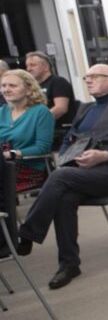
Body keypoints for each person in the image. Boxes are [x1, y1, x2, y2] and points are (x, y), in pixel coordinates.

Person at [15, 64, 108, 289]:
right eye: (86, 77)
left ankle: (27, 234)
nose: (88, 80)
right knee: (64, 198)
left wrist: (105, 155)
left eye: (94, 76)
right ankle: (69, 265)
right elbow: (69, 138)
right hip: (86, 172)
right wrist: (68, 154)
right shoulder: (85, 108)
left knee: (60, 177)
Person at [0, 69, 55, 237]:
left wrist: (12, 153)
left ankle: (7, 240)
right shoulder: (2, 111)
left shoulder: (41, 112)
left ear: (29, 88)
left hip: (28, 168)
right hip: (3, 167)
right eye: (3, 85)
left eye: (12, 85)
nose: (6, 89)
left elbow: (43, 148)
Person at [24, 51, 77, 145]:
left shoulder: (58, 82)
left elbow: (61, 108)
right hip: (41, 133)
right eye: (27, 66)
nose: (29, 69)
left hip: (60, 133)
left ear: (46, 67)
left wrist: (36, 123)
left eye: (33, 65)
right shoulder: (33, 87)